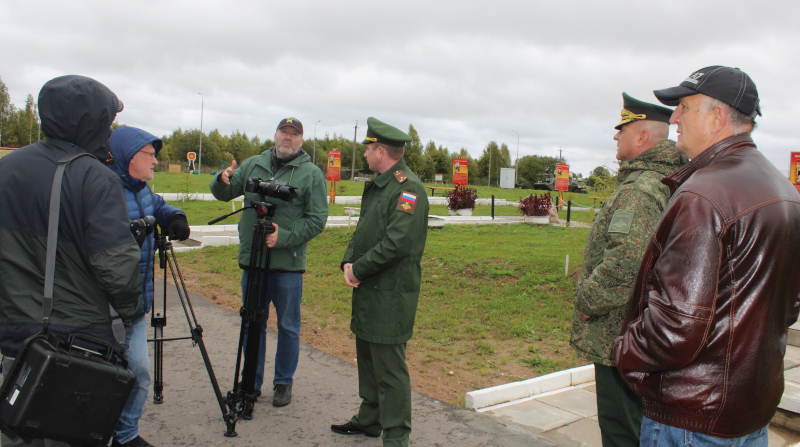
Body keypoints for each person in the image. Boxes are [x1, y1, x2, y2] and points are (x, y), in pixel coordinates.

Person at [614, 66, 800, 445]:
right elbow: (789, 303)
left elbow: (675, 328)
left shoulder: (703, 196)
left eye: (684, 106)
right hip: (749, 412)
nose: (675, 117)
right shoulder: (784, 191)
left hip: (692, 418)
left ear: (717, 117)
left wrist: (623, 351)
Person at [0, 75, 143, 447]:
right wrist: (131, 312)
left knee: (18, 424)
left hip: (15, 334)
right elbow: (116, 265)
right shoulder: (94, 176)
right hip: (75, 339)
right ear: (90, 120)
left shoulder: (7, 168)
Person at [569, 93, 686, 447]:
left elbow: (624, 263)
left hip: (618, 336)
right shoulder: (659, 180)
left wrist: (587, 301)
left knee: (622, 429)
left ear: (642, 138)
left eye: (623, 129)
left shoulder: (640, 189)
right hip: (636, 331)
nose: (615, 137)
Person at [210, 117, 328, 406]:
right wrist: (220, 178)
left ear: (301, 140)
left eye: (294, 134)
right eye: (283, 132)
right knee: (252, 323)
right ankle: (251, 380)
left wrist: (284, 237)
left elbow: (317, 220)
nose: (287, 138)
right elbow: (225, 194)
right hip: (253, 260)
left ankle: (283, 383)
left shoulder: (310, 173)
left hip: (287, 264)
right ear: (275, 135)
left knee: (288, 326)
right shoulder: (253, 164)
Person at [331, 117, 429, 447]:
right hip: (371, 290)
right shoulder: (380, 185)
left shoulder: (407, 188)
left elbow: (397, 243)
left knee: (389, 368)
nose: (365, 154)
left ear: (382, 150)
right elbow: (364, 231)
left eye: (369, 148)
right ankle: (370, 419)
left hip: (389, 294)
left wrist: (358, 269)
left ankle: (397, 436)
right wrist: (348, 259)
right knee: (369, 360)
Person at [107, 126, 191, 447]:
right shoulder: (103, 188)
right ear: (130, 157)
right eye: (150, 155)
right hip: (108, 305)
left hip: (137, 301)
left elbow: (156, 205)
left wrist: (175, 216)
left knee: (140, 373)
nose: (156, 161)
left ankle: (125, 436)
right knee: (107, 374)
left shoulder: (142, 189)